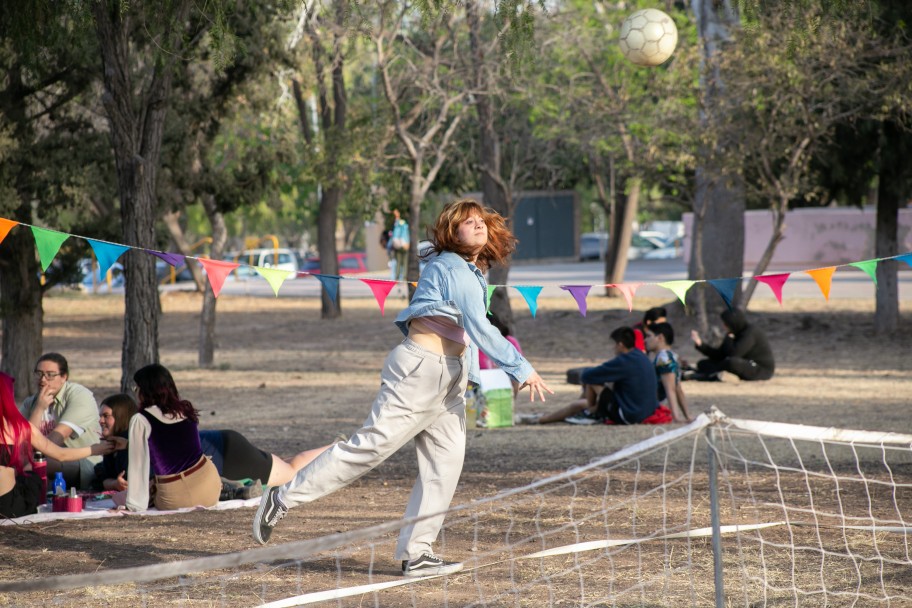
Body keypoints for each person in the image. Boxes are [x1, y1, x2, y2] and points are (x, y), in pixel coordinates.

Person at [252, 198, 553, 578]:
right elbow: (480, 326)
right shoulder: (452, 267)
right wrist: (521, 369)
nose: (478, 226)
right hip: (420, 373)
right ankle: (283, 496)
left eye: (482, 222)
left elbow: (468, 330)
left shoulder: (470, 271)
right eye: (468, 222)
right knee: (369, 447)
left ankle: (418, 552)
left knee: (444, 465)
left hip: (448, 378)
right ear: (450, 231)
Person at [96, 391, 334, 502]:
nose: (101, 420)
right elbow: (101, 478)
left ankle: (340, 448)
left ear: (123, 417)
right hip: (225, 447)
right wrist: (111, 483)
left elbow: (153, 485)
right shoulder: (119, 446)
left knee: (291, 470)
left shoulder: (138, 440)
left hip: (228, 456)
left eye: (107, 416)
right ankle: (335, 446)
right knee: (285, 464)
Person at [1, 372, 115, 519]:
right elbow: (60, 454)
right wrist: (95, 449)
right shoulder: (20, 428)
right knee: (30, 468)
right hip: (8, 505)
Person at [125, 364, 221, 512]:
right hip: (210, 484)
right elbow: (176, 446)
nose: (136, 394)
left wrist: (134, 506)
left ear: (145, 391)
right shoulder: (185, 409)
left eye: (136, 389)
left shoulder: (141, 419)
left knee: (119, 497)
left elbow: (138, 466)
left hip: (176, 496)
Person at [517, 327, 657, 426]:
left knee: (587, 388)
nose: (614, 348)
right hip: (643, 411)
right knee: (585, 395)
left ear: (620, 345)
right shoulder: (641, 357)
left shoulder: (624, 360)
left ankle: (587, 412)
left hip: (627, 414)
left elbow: (588, 375)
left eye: (614, 345)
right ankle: (586, 410)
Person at [19, 353, 103, 490]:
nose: (43, 380)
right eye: (39, 373)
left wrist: (28, 455)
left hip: (82, 463)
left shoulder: (79, 395)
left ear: (64, 377)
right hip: (45, 458)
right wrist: (39, 409)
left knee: (33, 463)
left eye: (50, 375)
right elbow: (22, 442)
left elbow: (56, 439)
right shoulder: (31, 403)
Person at [689, 309, 775, 382]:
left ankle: (710, 374)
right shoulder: (735, 332)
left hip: (759, 369)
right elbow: (721, 354)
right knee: (703, 363)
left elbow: (734, 354)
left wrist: (729, 338)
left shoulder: (750, 332)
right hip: (742, 363)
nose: (724, 326)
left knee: (731, 362)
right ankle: (718, 373)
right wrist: (700, 344)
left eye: (726, 324)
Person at [644, 323, 691, 423]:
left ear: (660, 337)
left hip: (657, 409)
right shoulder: (672, 355)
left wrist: (676, 418)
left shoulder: (664, 358)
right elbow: (678, 389)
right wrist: (687, 416)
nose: (645, 340)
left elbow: (670, 389)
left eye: (649, 336)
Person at [388, 208, 410, 282]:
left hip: (400, 244)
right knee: (402, 262)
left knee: (400, 262)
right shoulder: (402, 223)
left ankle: (400, 278)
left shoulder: (400, 222)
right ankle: (401, 278)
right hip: (402, 244)